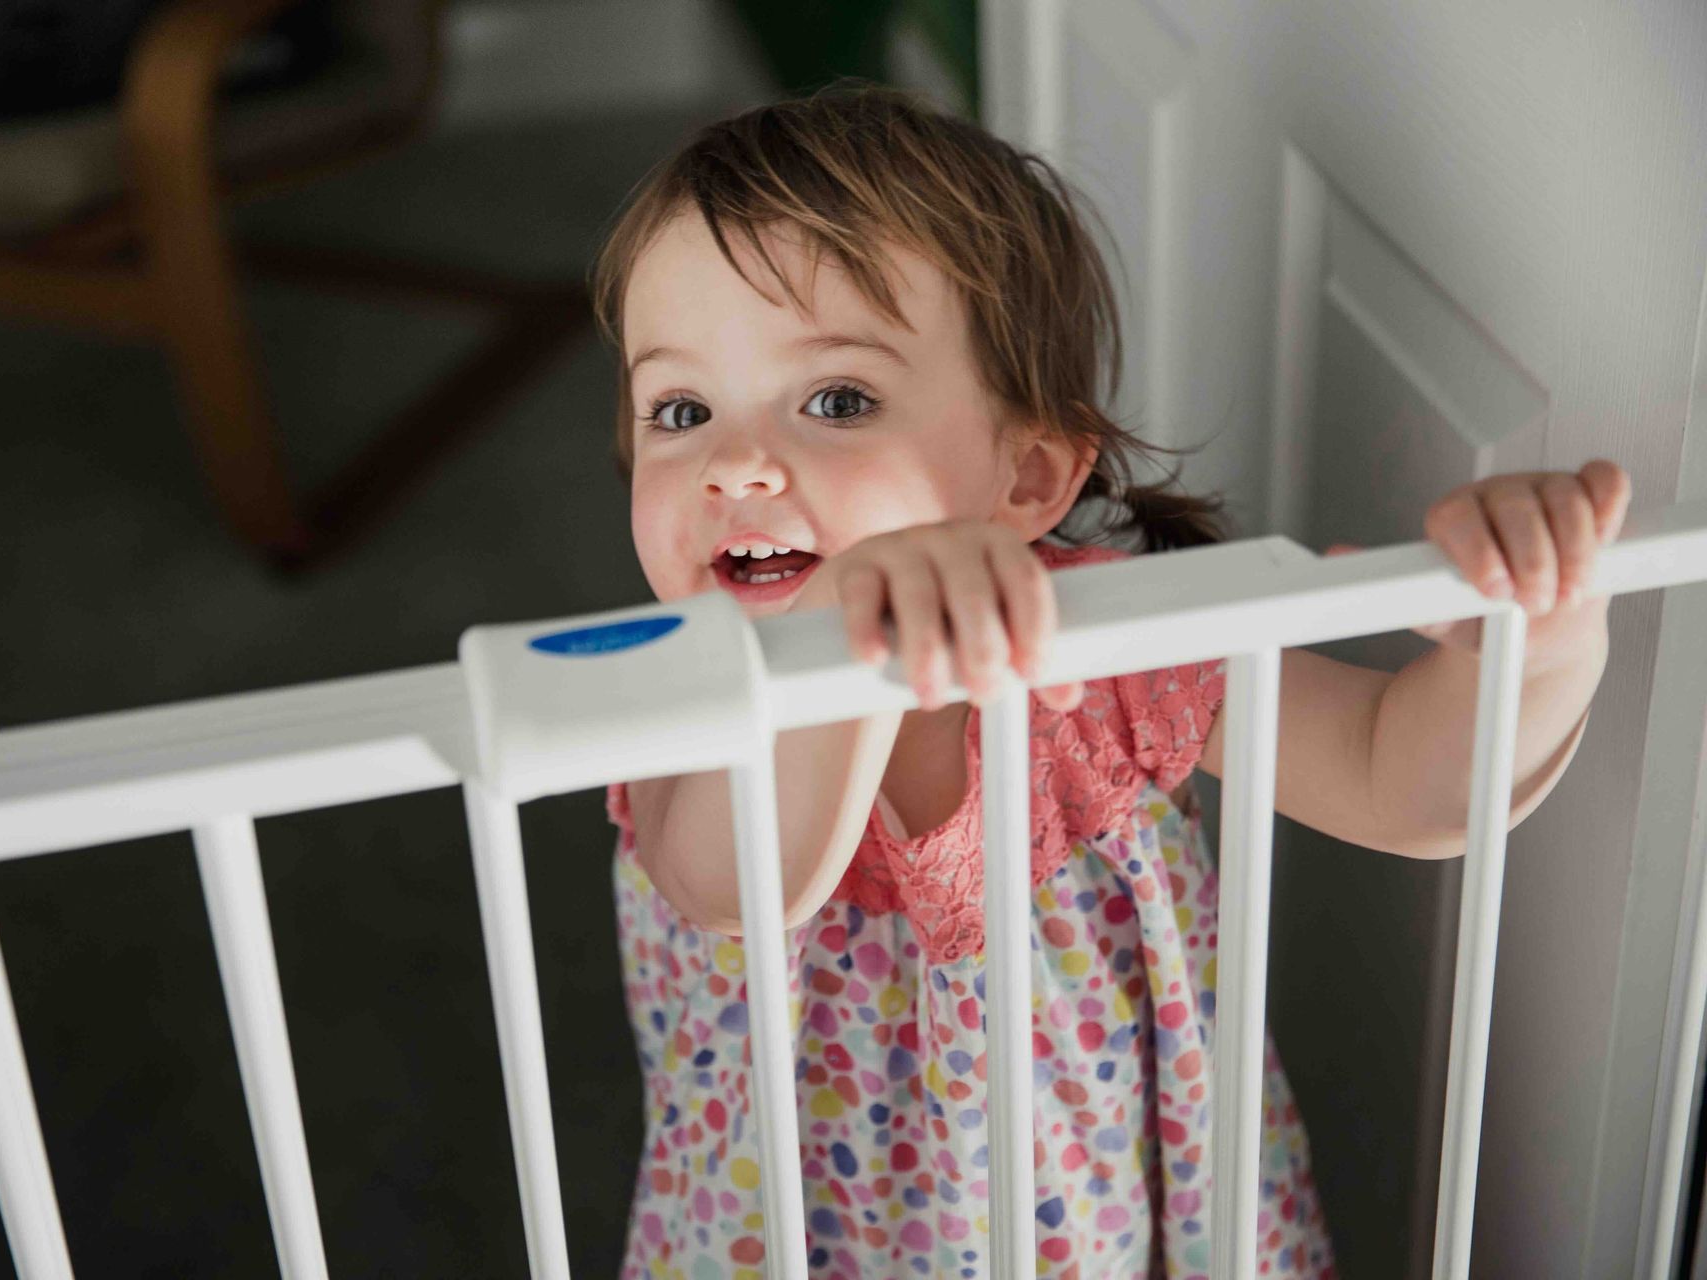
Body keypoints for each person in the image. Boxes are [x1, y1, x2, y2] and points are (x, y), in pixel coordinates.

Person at [591, 82, 1626, 1280]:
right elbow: (733, 884)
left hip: (1088, 1214)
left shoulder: (1103, 646)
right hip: (792, 1231)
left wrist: (1537, 642)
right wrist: (839, 626)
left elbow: (1402, 777)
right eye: (679, 408)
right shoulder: (671, 684)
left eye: (837, 399)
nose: (734, 463)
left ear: (1028, 477)